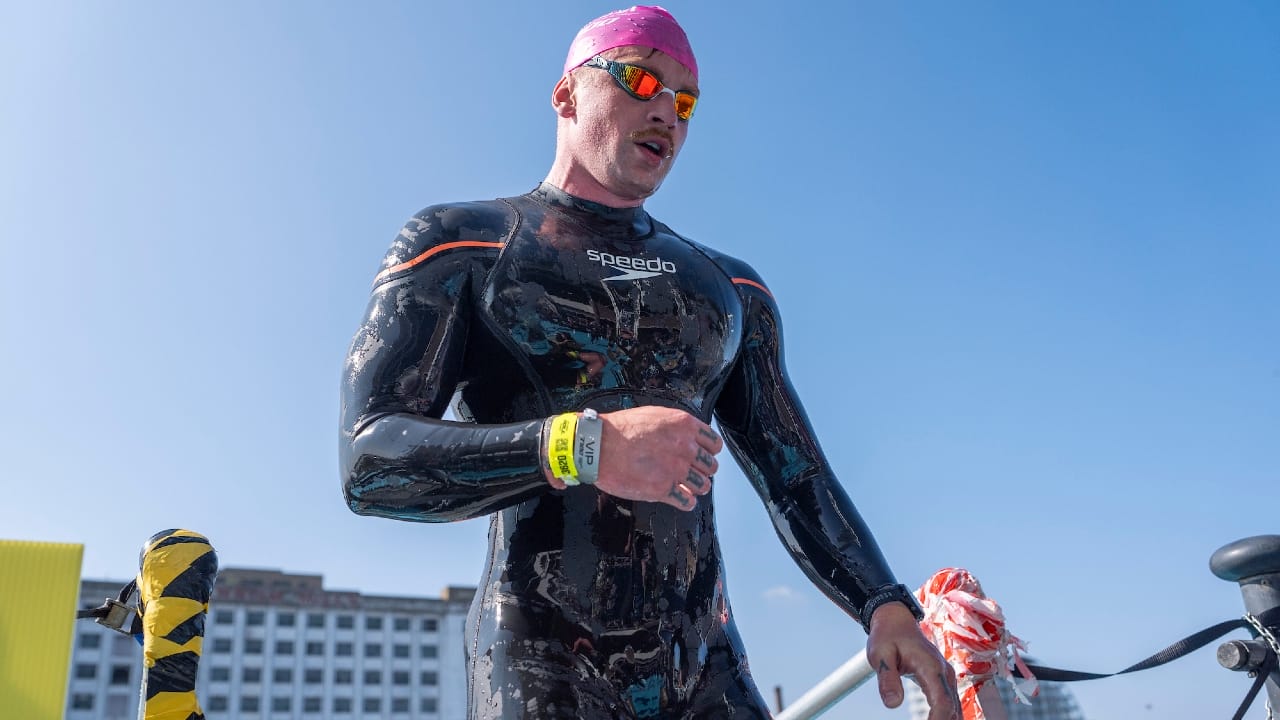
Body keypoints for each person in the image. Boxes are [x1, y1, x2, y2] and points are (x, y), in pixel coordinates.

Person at [340, 6, 960, 719]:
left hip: (707, 669)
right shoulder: (463, 244)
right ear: (567, 93)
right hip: (543, 662)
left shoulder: (727, 288)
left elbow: (795, 474)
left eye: (686, 100)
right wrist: (579, 445)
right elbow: (369, 463)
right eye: (640, 78)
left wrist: (883, 604)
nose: (668, 109)